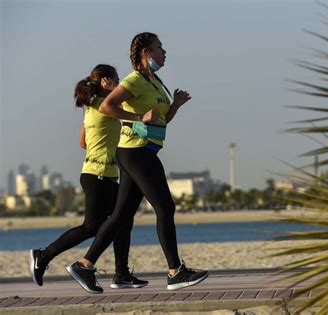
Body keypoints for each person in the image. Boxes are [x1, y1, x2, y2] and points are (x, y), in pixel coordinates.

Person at [66, 32, 208, 294]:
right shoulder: (133, 80)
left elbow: (159, 121)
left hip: (145, 150)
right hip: (135, 152)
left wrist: (174, 106)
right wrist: (138, 116)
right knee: (165, 206)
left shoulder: (154, 81)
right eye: (159, 47)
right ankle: (175, 271)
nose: (164, 52)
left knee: (121, 215)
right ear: (145, 52)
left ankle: (84, 265)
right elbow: (108, 106)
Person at [29, 65, 148, 292]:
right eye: (115, 79)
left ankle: (121, 274)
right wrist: (117, 90)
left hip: (101, 174)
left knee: (124, 220)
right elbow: (132, 105)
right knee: (92, 226)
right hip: (99, 176)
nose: (120, 83)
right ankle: (43, 256)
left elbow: (83, 141)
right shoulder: (107, 107)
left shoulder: (91, 108)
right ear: (106, 81)